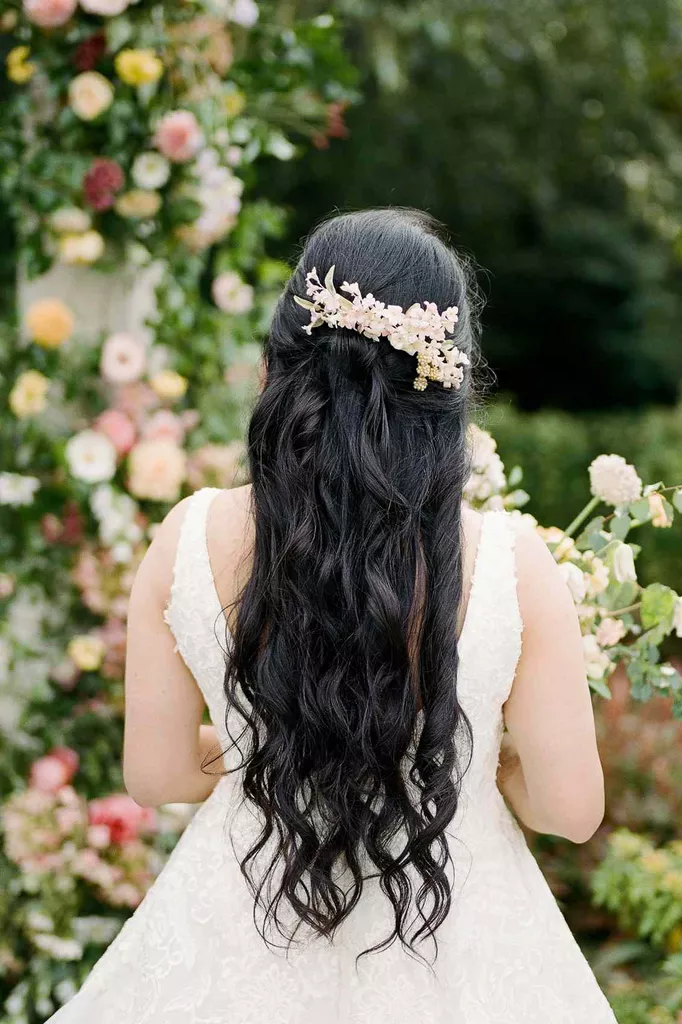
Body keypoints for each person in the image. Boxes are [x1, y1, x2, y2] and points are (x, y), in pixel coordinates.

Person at [48, 208, 616, 1023]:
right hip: (454, 937)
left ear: (278, 361)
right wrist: (458, 757)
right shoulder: (514, 564)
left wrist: (276, 743)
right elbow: (570, 808)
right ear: (448, 385)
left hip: (243, 938)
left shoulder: (187, 538)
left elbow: (155, 773)